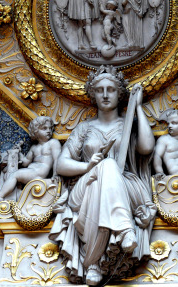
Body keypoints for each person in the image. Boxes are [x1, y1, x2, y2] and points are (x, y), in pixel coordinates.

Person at [50, 66, 156, 285]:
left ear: (120, 94)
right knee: (106, 166)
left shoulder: (127, 126)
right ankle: (125, 230)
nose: (105, 94)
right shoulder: (84, 128)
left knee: (108, 167)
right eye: (99, 90)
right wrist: (88, 166)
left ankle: (94, 262)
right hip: (86, 184)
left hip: (125, 186)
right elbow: (61, 164)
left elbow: (146, 148)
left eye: (110, 89)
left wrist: (138, 109)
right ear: (93, 95)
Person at [0, 116, 61, 203]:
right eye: (44, 128)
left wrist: (56, 174)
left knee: (15, 175)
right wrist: (19, 152)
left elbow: (58, 159)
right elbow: (25, 162)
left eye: (50, 128)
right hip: (31, 171)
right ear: (36, 131)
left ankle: (0, 196)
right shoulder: (34, 147)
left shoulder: (53, 143)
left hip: (39, 173)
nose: (49, 131)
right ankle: (5, 195)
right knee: (8, 173)